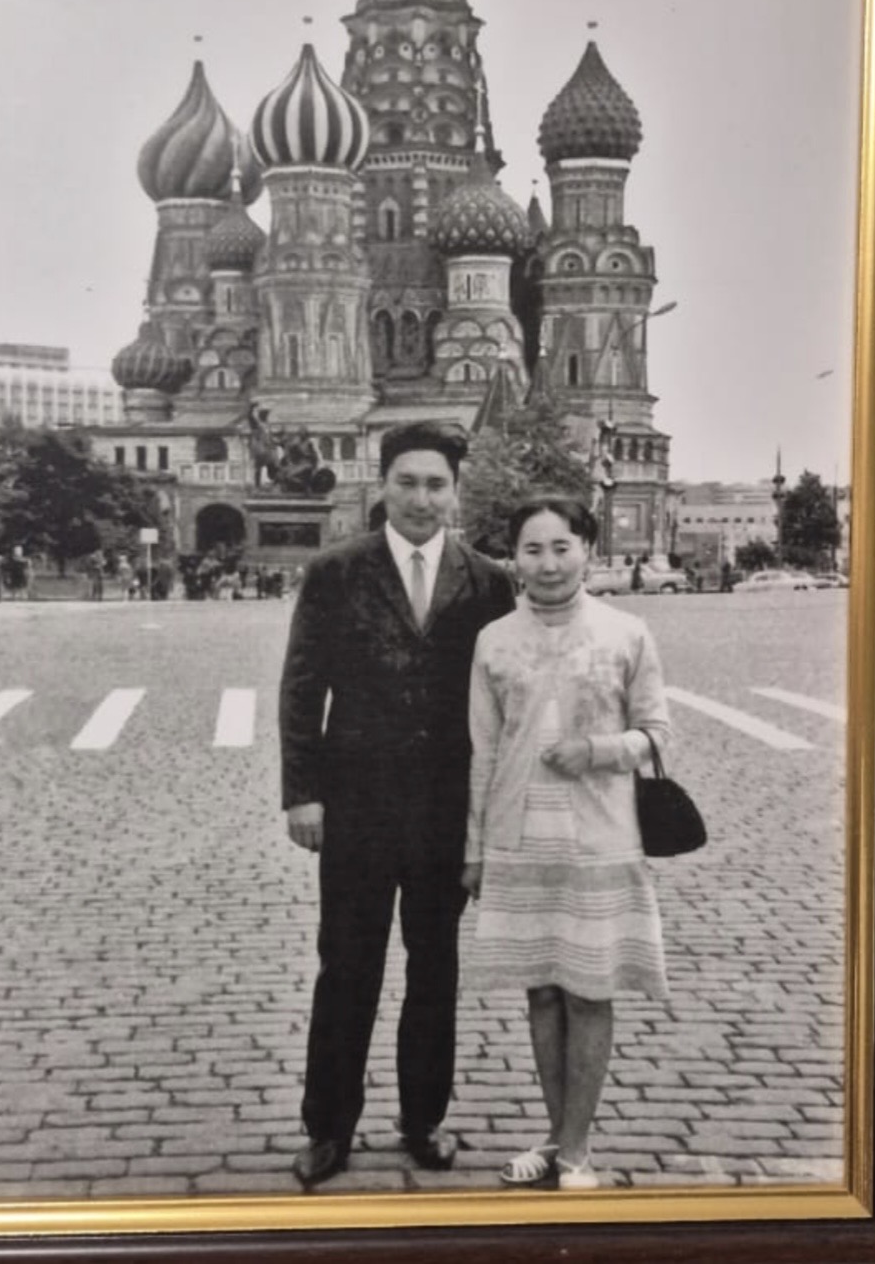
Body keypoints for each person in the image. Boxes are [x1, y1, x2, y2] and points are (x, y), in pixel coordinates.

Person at [279, 420, 515, 1189]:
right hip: (356, 805)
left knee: (434, 967)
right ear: (382, 486)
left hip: (446, 809)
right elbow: (302, 687)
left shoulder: (487, 581)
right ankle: (328, 1127)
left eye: (436, 484)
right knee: (347, 966)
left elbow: (502, 700)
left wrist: (492, 817)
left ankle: (423, 1119)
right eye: (407, 482)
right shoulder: (337, 571)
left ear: (455, 491)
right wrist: (303, 794)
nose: (421, 498)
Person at [462, 495, 671, 1191]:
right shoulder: (493, 640)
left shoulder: (626, 632)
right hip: (520, 841)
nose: (548, 564)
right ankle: (557, 1137)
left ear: (587, 549)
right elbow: (483, 750)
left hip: (600, 837)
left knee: (589, 992)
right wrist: (476, 848)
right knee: (543, 994)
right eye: (532, 549)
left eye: (562, 547)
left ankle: (578, 1151)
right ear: (513, 559)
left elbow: (656, 734)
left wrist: (598, 750)